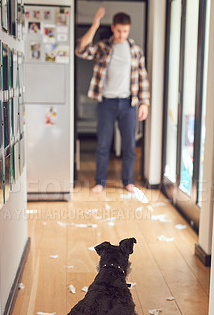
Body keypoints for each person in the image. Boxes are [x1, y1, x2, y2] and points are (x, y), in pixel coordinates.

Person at [75, 7, 150, 194]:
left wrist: (145, 103)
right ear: (113, 28)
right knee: (103, 144)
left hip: (128, 103)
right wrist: (95, 25)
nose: (121, 34)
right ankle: (99, 181)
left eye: (125, 31)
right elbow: (81, 50)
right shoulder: (103, 47)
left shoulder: (135, 50)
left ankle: (128, 181)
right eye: (118, 30)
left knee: (129, 145)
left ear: (129, 29)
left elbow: (143, 78)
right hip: (106, 103)